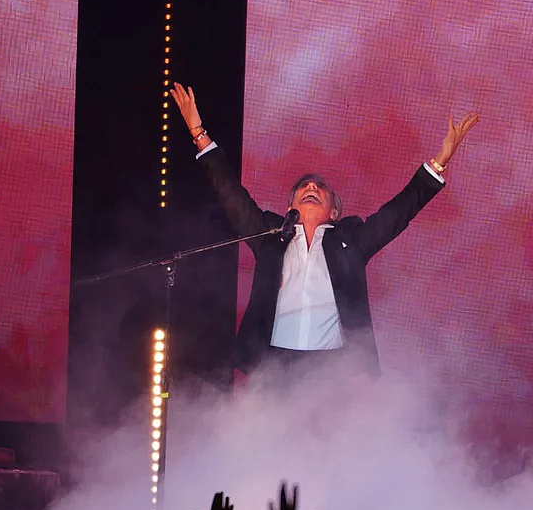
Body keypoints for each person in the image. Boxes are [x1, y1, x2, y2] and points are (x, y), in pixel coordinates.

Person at [169, 82, 478, 374]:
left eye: (320, 187)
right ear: (290, 206)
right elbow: (230, 194)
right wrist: (198, 132)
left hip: (332, 371)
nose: (312, 187)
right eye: (304, 186)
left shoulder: (351, 240)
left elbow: (398, 212)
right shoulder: (269, 236)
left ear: (334, 212)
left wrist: (439, 161)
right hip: (273, 367)